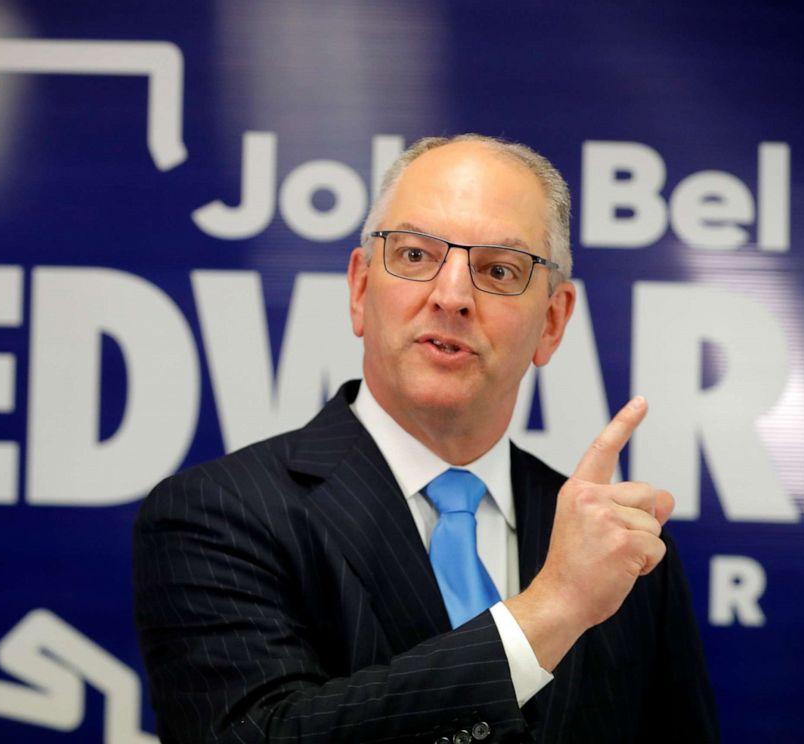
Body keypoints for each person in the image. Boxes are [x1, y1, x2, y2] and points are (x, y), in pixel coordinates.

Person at [133, 134, 719, 743]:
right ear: (360, 290)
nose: (452, 296)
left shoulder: (619, 549)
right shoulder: (215, 514)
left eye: (498, 270)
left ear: (552, 321)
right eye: (415, 256)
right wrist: (551, 609)